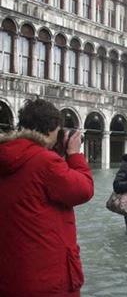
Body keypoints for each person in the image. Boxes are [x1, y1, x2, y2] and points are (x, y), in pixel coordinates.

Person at [0, 98, 94, 297]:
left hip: (11, 276)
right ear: (52, 129)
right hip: (47, 278)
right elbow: (83, 189)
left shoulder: (8, 155)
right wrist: (74, 154)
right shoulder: (44, 161)